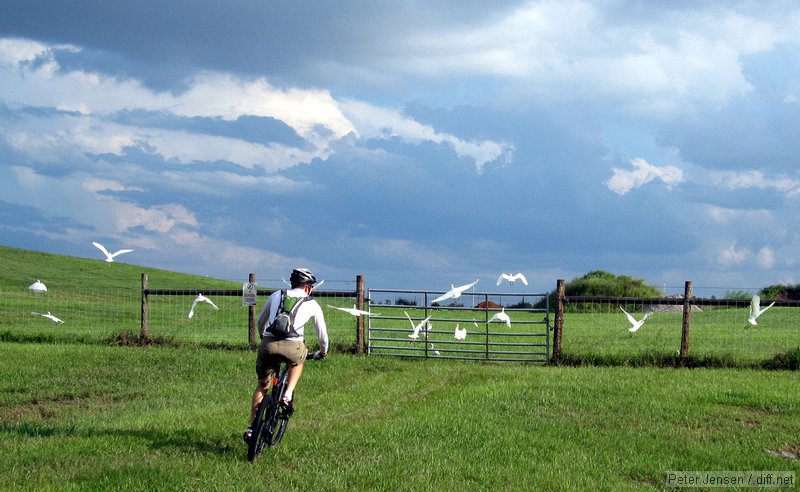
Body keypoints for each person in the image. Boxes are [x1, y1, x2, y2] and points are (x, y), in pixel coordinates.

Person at [244, 267, 329, 442]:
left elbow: (261, 321)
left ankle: (252, 428)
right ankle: (287, 394)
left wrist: (263, 336)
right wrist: (323, 351)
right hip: (293, 345)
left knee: (263, 386)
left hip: (268, 344)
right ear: (307, 287)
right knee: (298, 361)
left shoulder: (277, 295)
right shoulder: (311, 303)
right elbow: (323, 335)